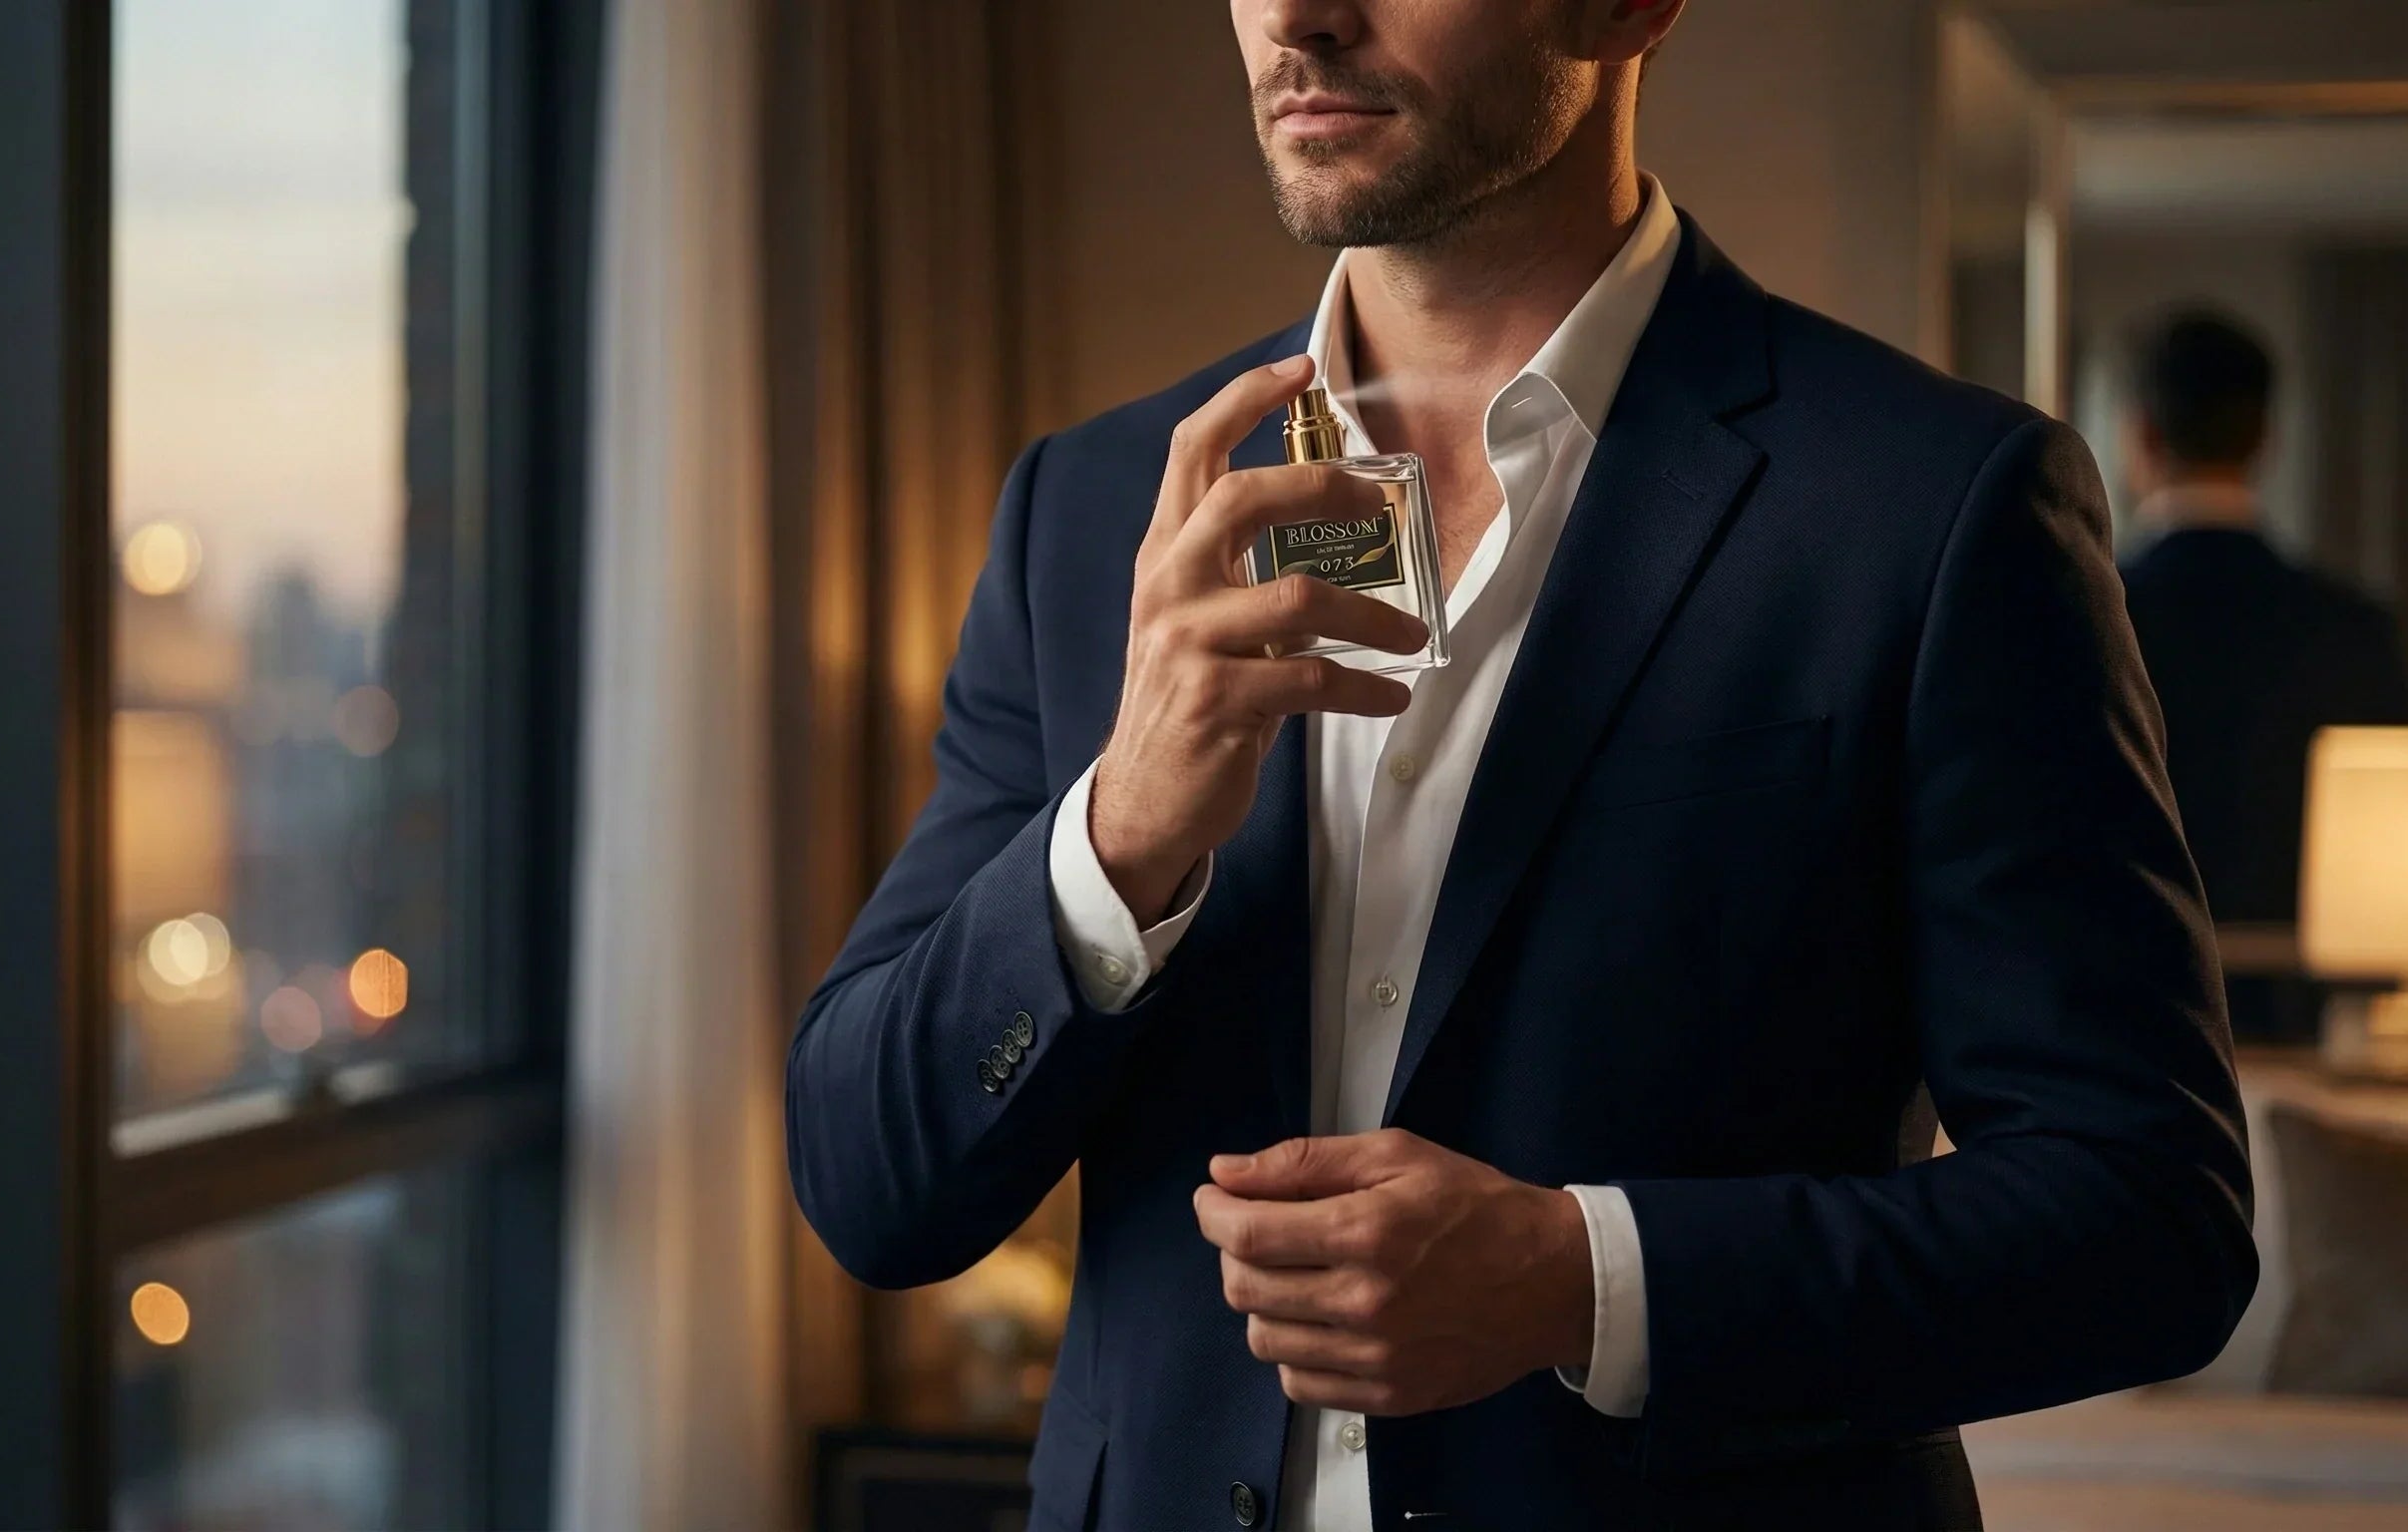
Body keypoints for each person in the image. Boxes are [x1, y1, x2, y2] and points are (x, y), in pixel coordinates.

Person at [787, 2, 2255, 1525]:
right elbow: (870, 1187)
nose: (1297, 15)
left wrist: (1583, 1282)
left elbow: (2151, 1222)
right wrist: (1121, 832)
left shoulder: (1934, 506)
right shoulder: (1088, 509)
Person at [2116, 308, 2408, 1041]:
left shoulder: (2091, 614)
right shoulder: (2354, 629)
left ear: (2142, 436)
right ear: (2265, 440)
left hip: (2130, 1010)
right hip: (2314, 1020)